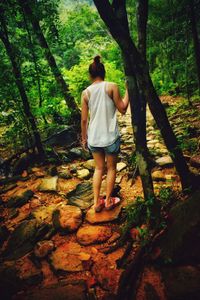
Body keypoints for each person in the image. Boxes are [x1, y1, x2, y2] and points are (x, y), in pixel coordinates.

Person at [81, 55, 129, 212]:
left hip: (94, 138)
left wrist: (84, 138)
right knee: (111, 168)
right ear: (104, 72)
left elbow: (83, 120)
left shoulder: (85, 93)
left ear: (90, 75)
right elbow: (122, 109)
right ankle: (108, 201)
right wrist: (128, 91)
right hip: (110, 137)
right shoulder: (112, 86)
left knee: (98, 169)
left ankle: (96, 203)